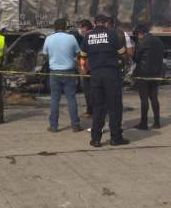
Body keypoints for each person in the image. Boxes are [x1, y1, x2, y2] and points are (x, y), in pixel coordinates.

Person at [79, 14, 128, 147]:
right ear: (106, 23)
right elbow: (123, 54)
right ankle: (115, 138)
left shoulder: (88, 36)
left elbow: (83, 57)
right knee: (114, 107)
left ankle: (96, 139)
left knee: (98, 108)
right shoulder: (112, 34)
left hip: (95, 75)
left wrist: (85, 70)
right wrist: (122, 65)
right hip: (111, 74)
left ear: (95, 23)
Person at [42, 18, 82, 132]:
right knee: (71, 99)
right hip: (69, 72)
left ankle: (54, 126)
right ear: (65, 27)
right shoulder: (71, 38)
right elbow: (78, 53)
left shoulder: (49, 38)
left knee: (55, 100)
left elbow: (45, 55)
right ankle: (75, 125)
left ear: (55, 27)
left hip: (54, 72)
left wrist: (53, 58)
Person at [132, 24, 164, 130]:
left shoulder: (142, 42)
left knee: (144, 99)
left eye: (137, 35)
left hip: (143, 74)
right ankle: (157, 122)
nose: (137, 37)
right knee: (154, 97)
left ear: (140, 33)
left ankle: (144, 123)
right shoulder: (158, 40)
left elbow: (136, 58)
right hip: (157, 73)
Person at [78, 19, 94, 117]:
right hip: (95, 67)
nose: (80, 30)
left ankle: (90, 111)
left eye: (81, 28)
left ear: (85, 27)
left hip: (88, 68)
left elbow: (83, 55)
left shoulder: (87, 37)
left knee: (88, 91)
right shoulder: (94, 35)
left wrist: (83, 68)